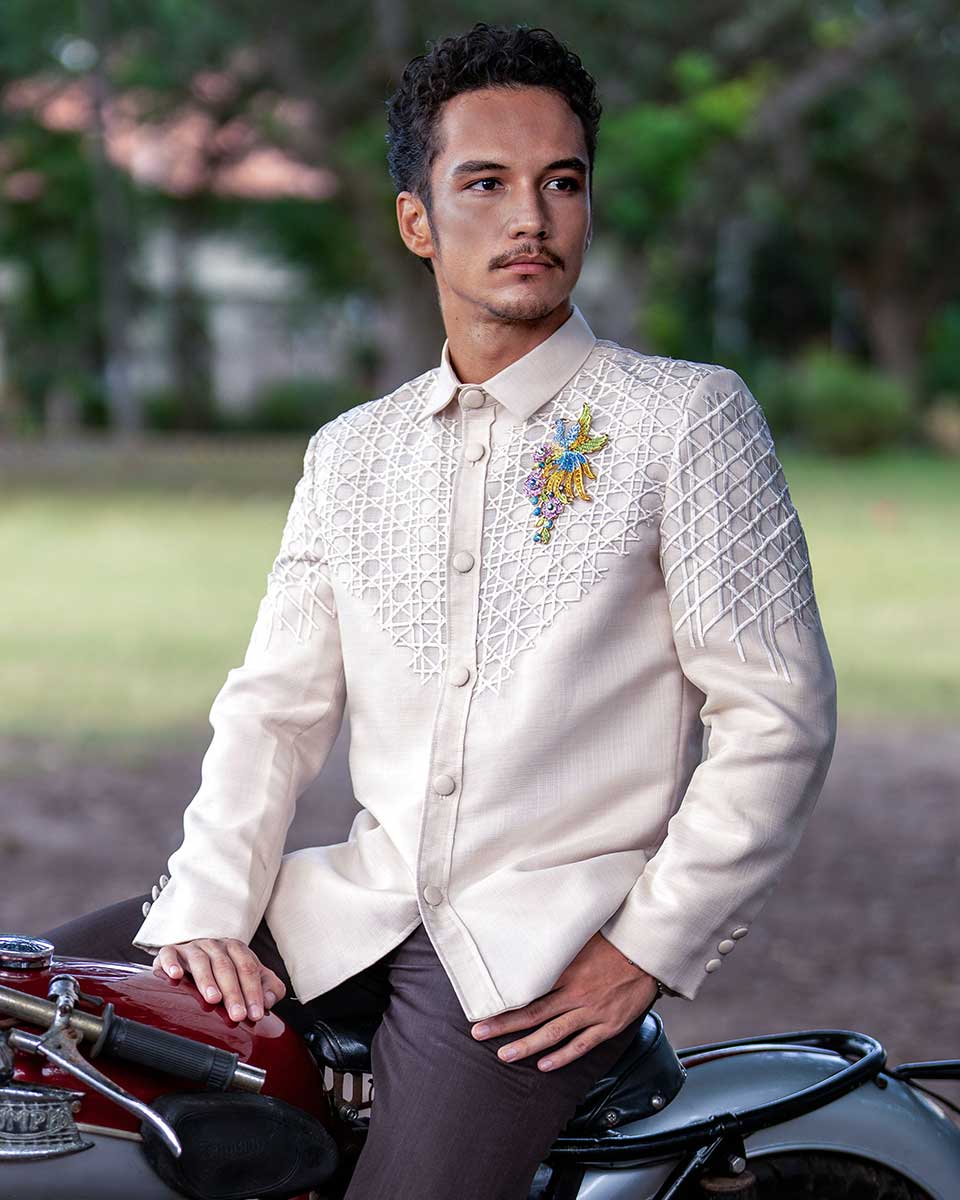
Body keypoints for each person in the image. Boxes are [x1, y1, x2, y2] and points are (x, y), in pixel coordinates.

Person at [42, 21, 838, 1199]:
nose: (532, 218)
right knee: (39, 1010)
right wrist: (208, 906)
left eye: (560, 183)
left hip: (531, 958)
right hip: (349, 905)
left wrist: (645, 953)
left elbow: (778, 718)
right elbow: (275, 707)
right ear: (418, 221)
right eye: (487, 184)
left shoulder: (686, 421)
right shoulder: (352, 455)